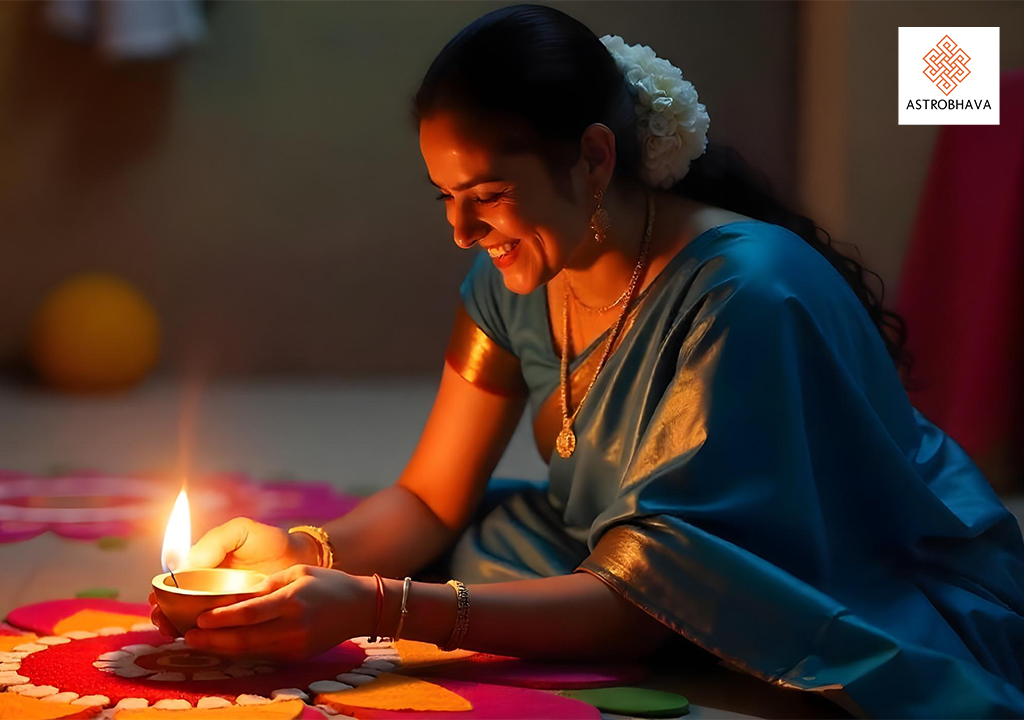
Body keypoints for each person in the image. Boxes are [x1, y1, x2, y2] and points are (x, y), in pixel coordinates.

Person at [149, 5, 1024, 717]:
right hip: (620, 547)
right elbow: (427, 497)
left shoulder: (742, 294)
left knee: (553, 595)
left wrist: (376, 605)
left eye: (487, 196)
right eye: (446, 198)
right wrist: (305, 551)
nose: (461, 230)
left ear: (595, 157)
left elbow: (655, 594)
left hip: (801, 568)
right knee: (482, 538)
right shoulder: (510, 276)